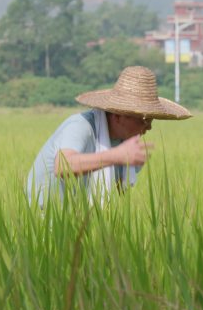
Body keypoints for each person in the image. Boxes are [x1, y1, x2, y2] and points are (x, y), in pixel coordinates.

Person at [26, 66, 192, 207]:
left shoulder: (124, 147)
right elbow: (62, 167)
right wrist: (116, 156)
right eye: (144, 119)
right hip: (44, 218)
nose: (149, 127)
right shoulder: (80, 126)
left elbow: (114, 195)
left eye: (151, 119)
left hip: (79, 220)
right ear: (118, 115)